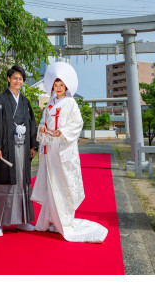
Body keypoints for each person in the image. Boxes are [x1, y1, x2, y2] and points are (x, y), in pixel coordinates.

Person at [31, 62, 108, 243]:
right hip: (50, 149)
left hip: (63, 149)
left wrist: (62, 132)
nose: (58, 88)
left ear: (66, 87)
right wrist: (42, 128)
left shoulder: (71, 103)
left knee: (62, 183)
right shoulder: (50, 103)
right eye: (56, 85)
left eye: (61, 86)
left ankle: (63, 221)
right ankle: (50, 219)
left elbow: (77, 124)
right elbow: (43, 120)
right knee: (51, 183)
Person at [0, 65, 38, 237]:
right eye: (15, 78)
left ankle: (22, 220)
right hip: (6, 149)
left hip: (22, 148)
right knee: (5, 183)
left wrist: (32, 145)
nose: (18, 81)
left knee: (22, 182)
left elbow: (31, 124)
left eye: (20, 79)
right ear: (8, 79)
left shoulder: (25, 102)